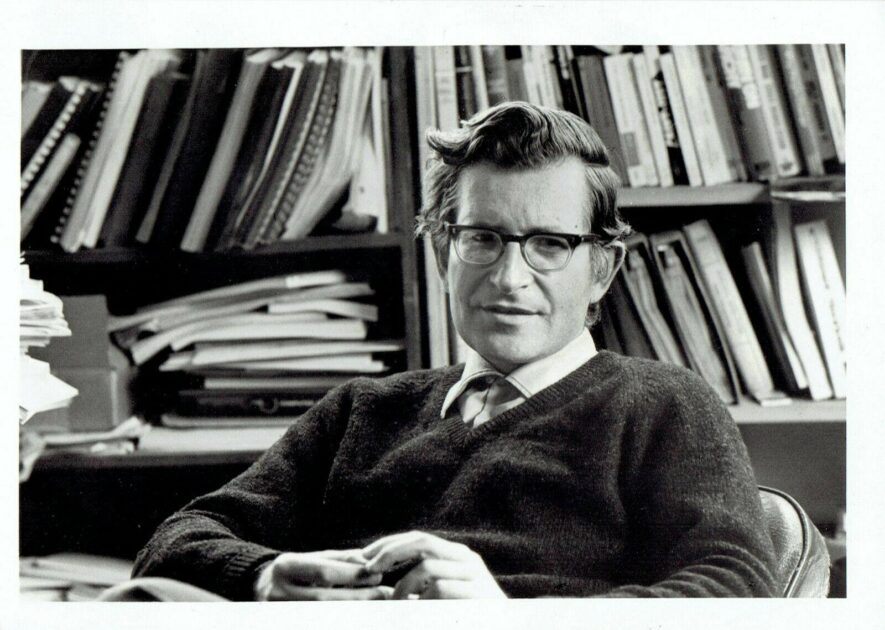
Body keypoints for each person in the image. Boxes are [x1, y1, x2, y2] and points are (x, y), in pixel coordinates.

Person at [127, 102, 777, 600]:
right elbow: (175, 541)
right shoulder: (361, 410)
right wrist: (266, 576)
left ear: (602, 271)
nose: (510, 278)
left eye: (550, 244)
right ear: (443, 255)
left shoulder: (663, 404)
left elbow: (734, 588)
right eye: (482, 239)